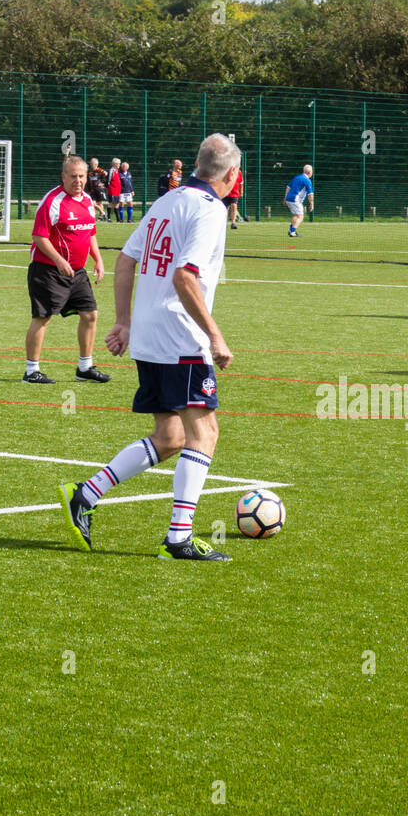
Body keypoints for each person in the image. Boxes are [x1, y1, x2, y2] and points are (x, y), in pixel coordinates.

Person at [57, 133, 241, 562]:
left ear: (196, 165)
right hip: (181, 336)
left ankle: (85, 494)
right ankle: (178, 537)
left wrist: (123, 321)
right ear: (231, 175)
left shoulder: (167, 200)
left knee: (171, 434)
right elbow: (184, 276)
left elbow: (125, 258)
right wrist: (214, 334)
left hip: (148, 335)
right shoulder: (210, 210)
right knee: (204, 432)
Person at [23, 156, 110, 385]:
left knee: (90, 315)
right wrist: (60, 260)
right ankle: (31, 371)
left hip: (77, 273)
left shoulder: (88, 201)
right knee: (42, 318)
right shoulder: (53, 201)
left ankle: (85, 368)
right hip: (49, 271)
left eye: (82, 176)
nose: (78, 181)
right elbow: (39, 237)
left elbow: (90, 233)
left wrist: (98, 259)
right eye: (73, 176)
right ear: (63, 177)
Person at [284, 164, 314, 237]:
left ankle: (291, 231)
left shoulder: (297, 177)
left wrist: (285, 198)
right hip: (295, 200)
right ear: (309, 172)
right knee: (300, 216)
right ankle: (292, 232)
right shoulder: (307, 180)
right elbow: (310, 194)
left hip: (289, 198)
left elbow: (288, 187)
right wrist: (311, 204)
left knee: (297, 215)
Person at [225, 164, 244, 228]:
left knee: (234, 206)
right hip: (226, 192)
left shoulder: (239, 172)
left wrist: (241, 192)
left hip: (234, 193)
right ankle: (224, 222)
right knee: (225, 208)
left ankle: (233, 223)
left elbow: (241, 183)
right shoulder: (225, 171)